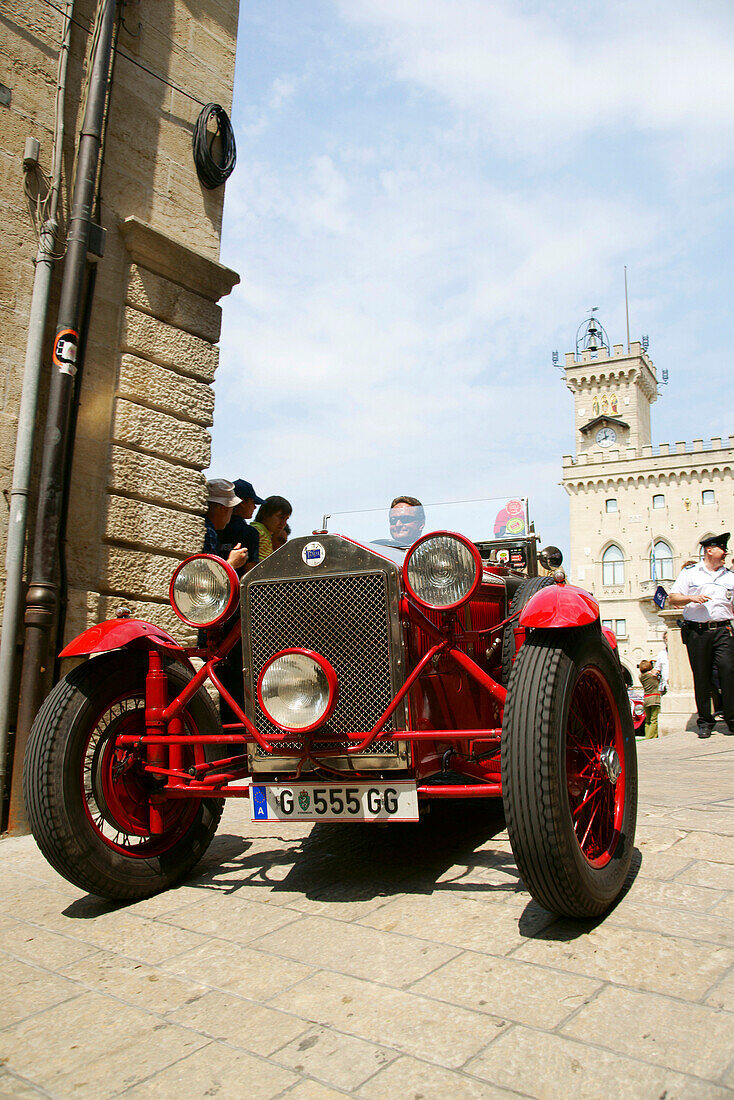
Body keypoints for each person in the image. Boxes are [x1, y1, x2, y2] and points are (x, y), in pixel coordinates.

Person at [669, 533, 734, 738]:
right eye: (722, 549)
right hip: (698, 632)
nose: (725, 553)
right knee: (702, 676)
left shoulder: (730, 576)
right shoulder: (691, 573)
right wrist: (691, 597)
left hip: (723, 630)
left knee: (728, 672)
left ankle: (732, 719)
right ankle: (705, 721)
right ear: (709, 551)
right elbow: (673, 598)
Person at [219, 478, 262, 573]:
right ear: (242, 502)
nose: (255, 507)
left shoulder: (215, 526)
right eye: (253, 502)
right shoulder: (249, 533)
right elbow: (250, 573)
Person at [204, 479, 248, 570]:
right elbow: (207, 576)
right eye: (232, 509)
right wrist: (232, 563)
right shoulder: (208, 533)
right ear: (223, 509)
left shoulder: (203, 527)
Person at [251, 496, 292, 560]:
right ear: (265, 514)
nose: (283, 523)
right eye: (281, 517)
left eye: (286, 519)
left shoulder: (265, 535)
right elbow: (261, 566)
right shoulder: (258, 533)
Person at [638, 659, 661, 739]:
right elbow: (658, 675)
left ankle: (647, 735)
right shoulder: (652, 675)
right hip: (654, 698)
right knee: (654, 720)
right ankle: (651, 737)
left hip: (646, 699)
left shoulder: (641, 677)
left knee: (647, 720)